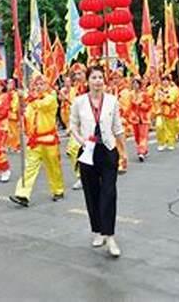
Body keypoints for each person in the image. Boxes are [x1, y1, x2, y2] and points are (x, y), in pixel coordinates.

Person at [69, 65, 125, 258]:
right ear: (87, 80)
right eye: (94, 77)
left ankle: (110, 236)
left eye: (101, 77)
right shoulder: (79, 102)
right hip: (87, 152)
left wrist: (123, 151)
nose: (98, 81)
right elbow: (73, 125)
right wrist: (81, 140)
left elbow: (118, 127)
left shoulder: (112, 101)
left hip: (108, 150)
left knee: (109, 193)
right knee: (92, 193)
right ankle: (98, 231)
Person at [9, 73, 64, 207]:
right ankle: (23, 194)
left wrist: (26, 97)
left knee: (53, 167)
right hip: (34, 141)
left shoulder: (50, 98)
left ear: (47, 85)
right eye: (37, 84)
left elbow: (41, 105)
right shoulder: (31, 103)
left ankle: (58, 190)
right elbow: (25, 114)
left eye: (42, 84)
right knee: (29, 167)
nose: (39, 87)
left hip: (49, 139)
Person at [64, 64, 88, 190]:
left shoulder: (93, 86)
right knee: (74, 148)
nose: (77, 76)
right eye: (75, 74)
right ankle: (81, 176)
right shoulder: (73, 90)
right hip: (79, 125)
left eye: (80, 73)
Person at [155, 75, 179, 151]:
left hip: (170, 111)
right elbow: (156, 99)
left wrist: (163, 97)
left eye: (166, 80)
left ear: (169, 81)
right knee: (159, 126)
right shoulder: (159, 89)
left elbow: (171, 100)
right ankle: (161, 143)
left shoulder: (173, 89)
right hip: (160, 111)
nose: (165, 82)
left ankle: (171, 143)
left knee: (170, 127)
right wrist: (162, 97)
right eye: (163, 80)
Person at [128, 77, 152, 162]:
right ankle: (143, 150)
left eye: (136, 83)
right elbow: (129, 107)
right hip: (134, 118)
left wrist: (141, 104)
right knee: (137, 137)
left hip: (143, 118)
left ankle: (141, 152)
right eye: (133, 83)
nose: (135, 85)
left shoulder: (144, 94)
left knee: (143, 136)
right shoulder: (130, 95)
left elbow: (149, 106)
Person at [6, 78, 22, 153]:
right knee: (8, 132)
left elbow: (16, 104)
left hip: (13, 115)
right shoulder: (6, 94)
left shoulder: (15, 93)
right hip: (6, 115)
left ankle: (17, 146)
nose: (10, 85)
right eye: (8, 83)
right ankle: (9, 145)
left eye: (11, 83)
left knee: (15, 132)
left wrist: (11, 108)